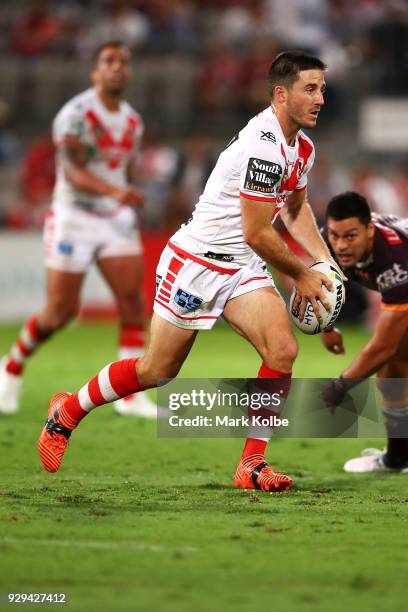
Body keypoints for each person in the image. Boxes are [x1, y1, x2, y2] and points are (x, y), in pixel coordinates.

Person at [38, 50, 339, 492]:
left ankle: (251, 465)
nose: (319, 99)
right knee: (156, 370)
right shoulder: (263, 146)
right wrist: (302, 274)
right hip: (197, 263)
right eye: (309, 89)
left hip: (242, 266)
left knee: (281, 351)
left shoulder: (302, 148)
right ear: (281, 93)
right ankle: (69, 410)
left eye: (323, 90)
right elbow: (258, 232)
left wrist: (323, 265)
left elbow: (294, 211)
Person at [0, 41, 157, 418]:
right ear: (95, 71)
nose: (118, 67)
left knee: (133, 302)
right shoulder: (75, 115)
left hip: (115, 218)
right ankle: (11, 368)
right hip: (74, 216)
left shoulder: (133, 121)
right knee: (59, 313)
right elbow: (72, 171)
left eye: (124, 62)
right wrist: (116, 190)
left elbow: (124, 169)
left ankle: (131, 396)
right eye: (109, 61)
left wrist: (124, 193)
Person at [322, 191, 408, 472]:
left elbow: (383, 345)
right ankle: (396, 459)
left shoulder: (394, 260)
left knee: (390, 358)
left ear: (370, 230)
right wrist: (328, 325)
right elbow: (322, 277)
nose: (341, 245)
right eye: (335, 235)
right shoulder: (328, 239)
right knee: (393, 373)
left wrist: (341, 385)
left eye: (350, 236)